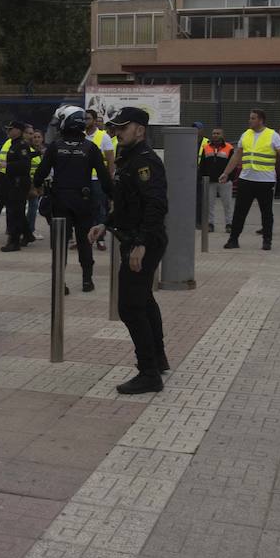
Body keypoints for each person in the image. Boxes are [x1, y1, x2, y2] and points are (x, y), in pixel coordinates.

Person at [88, 107, 168, 394]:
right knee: (143, 300)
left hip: (143, 241)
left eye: (123, 128)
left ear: (140, 130)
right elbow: (127, 204)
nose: (118, 132)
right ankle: (158, 360)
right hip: (135, 237)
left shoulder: (146, 162)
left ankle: (148, 373)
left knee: (129, 307)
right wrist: (105, 224)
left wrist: (141, 244)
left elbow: (155, 206)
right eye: (116, 128)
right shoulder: (129, 159)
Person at [34, 108, 109, 292]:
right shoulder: (90, 148)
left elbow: (40, 175)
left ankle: (59, 282)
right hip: (83, 201)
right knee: (85, 242)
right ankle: (87, 281)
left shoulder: (55, 146)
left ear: (66, 121)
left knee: (60, 244)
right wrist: (114, 198)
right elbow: (105, 178)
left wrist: (38, 185)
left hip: (60, 202)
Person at [217, 108, 280, 250]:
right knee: (240, 211)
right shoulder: (246, 135)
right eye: (250, 118)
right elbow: (237, 156)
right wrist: (226, 172)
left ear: (260, 120)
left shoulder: (272, 135)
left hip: (265, 181)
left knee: (266, 212)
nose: (250, 120)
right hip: (246, 179)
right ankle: (233, 239)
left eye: (253, 118)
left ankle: (267, 241)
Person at [0, 121, 35, 252]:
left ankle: (14, 242)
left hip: (19, 182)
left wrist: (8, 166)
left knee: (15, 212)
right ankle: (27, 234)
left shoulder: (22, 145)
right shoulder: (14, 144)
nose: (8, 131)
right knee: (17, 211)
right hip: (13, 181)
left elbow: (25, 165)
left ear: (18, 131)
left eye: (11, 129)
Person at [83, 109, 115, 250]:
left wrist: (108, 180)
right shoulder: (80, 136)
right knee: (85, 209)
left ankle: (100, 238)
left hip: (97, 179)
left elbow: (110, 160)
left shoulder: (104, 137)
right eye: (84, 118)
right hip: (82, 179)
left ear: (95, 120)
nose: (85, 121)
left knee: (100, 209)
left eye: (88, 118)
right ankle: (85, 237)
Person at [197, 128, 233, 233]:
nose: (215, 135)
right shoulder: (206, 147)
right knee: (209, 204)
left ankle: (229, 224)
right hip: (210, 181)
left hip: (225, 181)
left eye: (218, 133)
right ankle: (210, 224)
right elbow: (202, 164)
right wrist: (203, 177)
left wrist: (229, 177)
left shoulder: (229, 148)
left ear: (222, 135)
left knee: (227, 204)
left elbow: (233, 164)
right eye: (214, 133)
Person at [25, 128, 45, 242]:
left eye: (39, 137)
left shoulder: (44, 150)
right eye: (35, 137)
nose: (36, 139)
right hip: (29, 182)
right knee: (33, 206)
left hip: (38, 183)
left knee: (34, 207)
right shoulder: (29, 150)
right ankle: (29, 230)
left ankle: (28, 229)